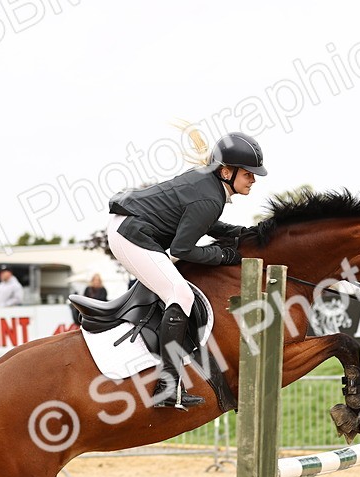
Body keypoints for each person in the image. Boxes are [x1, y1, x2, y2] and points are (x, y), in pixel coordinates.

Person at [106, 131, 265, 409]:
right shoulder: (210, 198)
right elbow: (182, 249)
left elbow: (206, 223)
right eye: (248, 173)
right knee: (180, 294)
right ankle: (167, 386)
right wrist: (225, 255)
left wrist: (241, 233)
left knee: (178, 290)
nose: (254, 179)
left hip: (129, 227)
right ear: (227, 171)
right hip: (130, 234)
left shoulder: (210, 187)